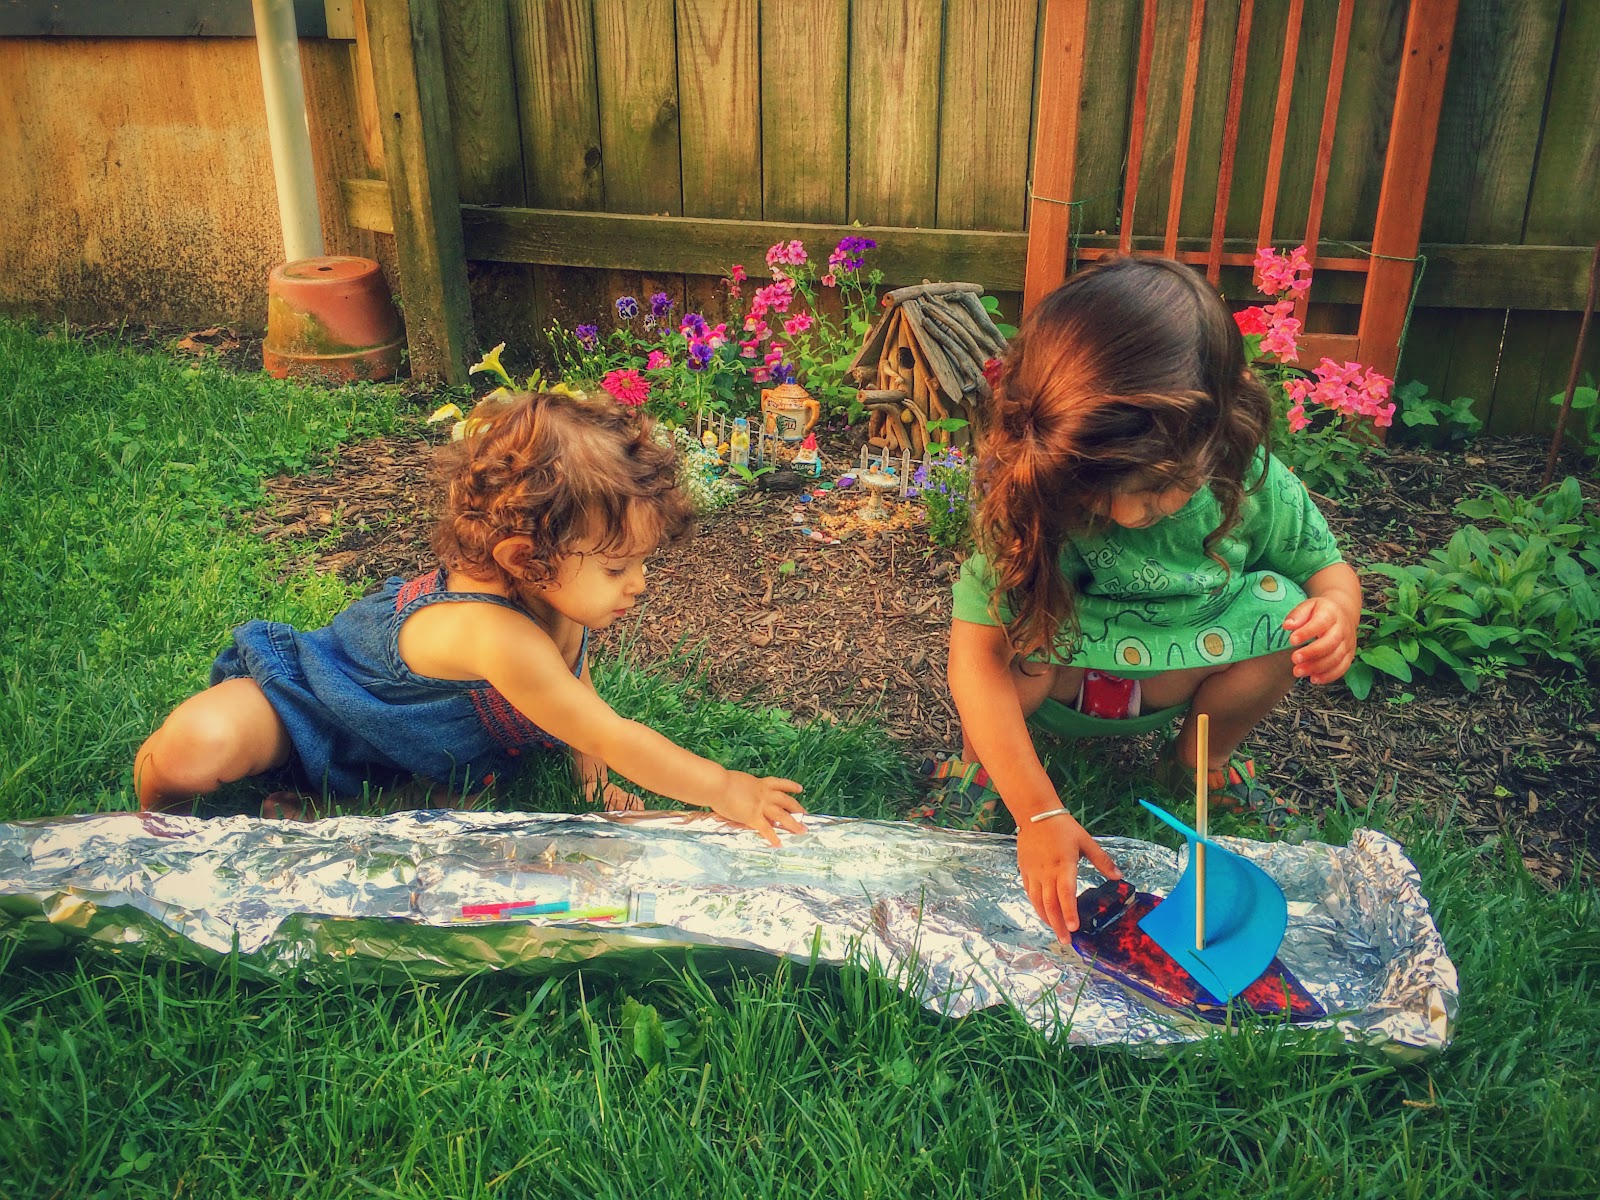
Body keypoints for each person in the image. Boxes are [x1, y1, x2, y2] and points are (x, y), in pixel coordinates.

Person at [134, 390, 807, 846]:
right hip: (317, 710)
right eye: (614, 568)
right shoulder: (492, 633)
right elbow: (613, 730)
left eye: (639, 563)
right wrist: (723, 788)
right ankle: (142, 830)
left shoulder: (557, 595)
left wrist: (592, 777)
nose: (637, 585)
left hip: (412, 753)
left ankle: (333, 807)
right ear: (525, 556)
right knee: (199, 745)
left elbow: (576, 697)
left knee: (432, 809)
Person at [924, 256, 1360, 938]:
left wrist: (1337, 614)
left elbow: (1329, 573)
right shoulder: (1034, 486)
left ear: (1220, 427)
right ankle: (984, 773)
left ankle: (1201, 763)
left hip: (1177, 676)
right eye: (1102, 492)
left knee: (1284, 602)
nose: (1131, 515)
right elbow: (974, 660)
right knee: (1012, 617)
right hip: (1057, 677)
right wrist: (1039, 812)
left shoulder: (1248, 480)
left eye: (1162, 488)